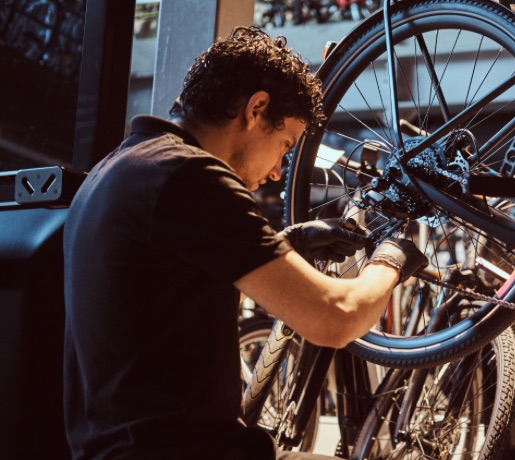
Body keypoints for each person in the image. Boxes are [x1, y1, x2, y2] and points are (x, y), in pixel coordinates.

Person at [63, 26, 427, 460]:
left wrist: (288, 242)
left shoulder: (121, 169)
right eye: (285, 145)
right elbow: (337, 318)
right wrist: (391, 260)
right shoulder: (191, 177)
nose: (277, 171)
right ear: (257, 108)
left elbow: (170, 283)